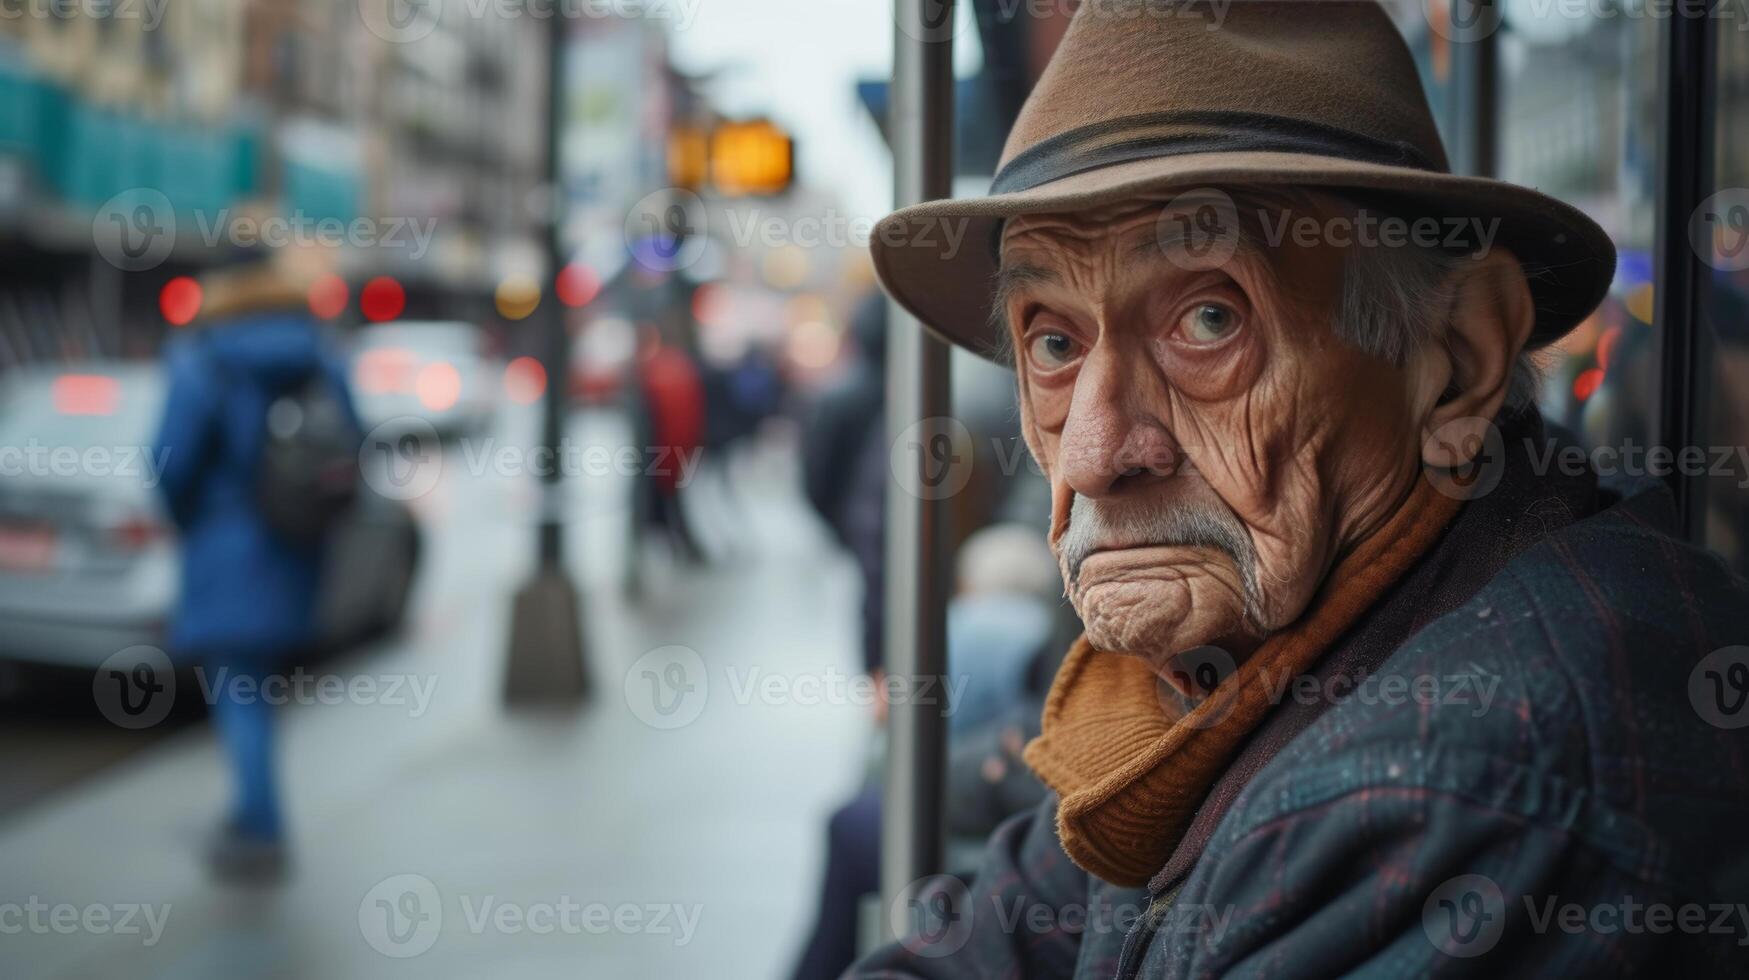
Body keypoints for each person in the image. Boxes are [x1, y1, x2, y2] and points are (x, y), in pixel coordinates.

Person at [852, 1, 1749, 975]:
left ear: (1455, 359)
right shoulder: (1229, 667)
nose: (1094, 453)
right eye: (1056, 342)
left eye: (1208, 318)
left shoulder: (1479, 784)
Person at [153, 255, 358, 883]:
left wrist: (196, 520)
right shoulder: (320, 352)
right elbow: (356, 443)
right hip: (297, 544)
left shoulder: (205, 357)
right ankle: (253, 809)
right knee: (260, 685)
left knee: (238, 687)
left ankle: (260, 826)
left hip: (225, 542)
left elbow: (170, 464)